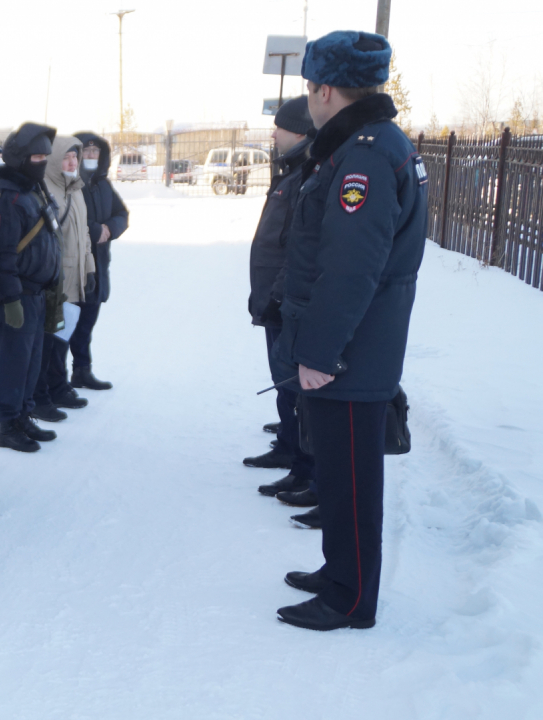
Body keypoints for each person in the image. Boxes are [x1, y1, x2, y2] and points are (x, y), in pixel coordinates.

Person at [272, 31, 427, 631]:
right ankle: (339, 571)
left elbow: (351, 265)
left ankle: (350, 597)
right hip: (354, 346)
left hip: (351, 351)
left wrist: (320, 350)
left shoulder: (364, 153)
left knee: (353, 479)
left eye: (311, 89)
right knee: (337, 471)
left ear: (326, 90)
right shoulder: (369, 143)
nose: (309, 101)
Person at [243, 97, 318, 512]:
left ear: (301, 133)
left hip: (285, 298)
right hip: (275, 296)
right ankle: (290, 445)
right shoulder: (293, 170)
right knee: (283, 379)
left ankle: (303, 463)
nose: (273, 134)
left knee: (291, 381)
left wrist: (275, 293)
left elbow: (300, 249)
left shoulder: (307, 173)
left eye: (279, 127)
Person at [0, 122, 61, 453]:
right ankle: (7, 423)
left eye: (45, 156)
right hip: (17, 294)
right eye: (35, 156)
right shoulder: (5, 197)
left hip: (38, 294)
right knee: (12, 361)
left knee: (31, 360)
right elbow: (1, 255)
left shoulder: (32, 190)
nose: (41, 162)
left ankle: (24, 413)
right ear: (19, 158)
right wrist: (10, 297)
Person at [32, 134, 95, 422]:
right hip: (57, 279)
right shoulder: (48, 189)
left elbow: (84, 235)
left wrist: (90, 268)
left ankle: (58, 387)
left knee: (62, 338)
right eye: (66, 157)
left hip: (76, 278)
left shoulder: (77, 189)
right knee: (50, 341)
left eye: (75, 157)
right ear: (55, 160)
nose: (72, 161)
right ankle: (42, 393)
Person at [73, 132, 128, 391]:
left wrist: (109, 228)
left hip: (99, 264)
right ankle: (55, 380)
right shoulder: (71, 183)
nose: (92, 156)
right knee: (69, 325)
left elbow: (122, 214)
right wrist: (95, 230)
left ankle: (82, 371)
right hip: (76, 266)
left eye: (96, 152)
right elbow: (68, 219)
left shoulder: (102, 184)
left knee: (87, 324)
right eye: (87, 151)